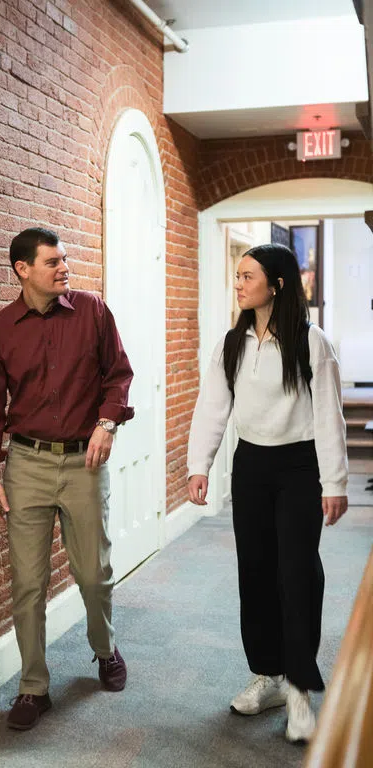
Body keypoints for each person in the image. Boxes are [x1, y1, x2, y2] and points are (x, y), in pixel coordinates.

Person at [187, 243, 348, 744]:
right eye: (236, 275)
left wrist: (334, 481)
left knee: (296, 573)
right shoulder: (232, 343)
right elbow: (212, 406)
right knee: (255, 572)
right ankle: (270, 676)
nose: (238, 283)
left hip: (300, 467)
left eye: (247, 275)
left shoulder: (310, 342)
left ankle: (300, 687)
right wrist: (200, 466)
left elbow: (328, 415)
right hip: (251, 466)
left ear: (276, 283)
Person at [0, 227, 134, 731]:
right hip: (27, 465)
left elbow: (119, 374)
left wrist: (107, 423)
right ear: (23, 269)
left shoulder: (92, 311)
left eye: (65, 260)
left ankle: (104, 647)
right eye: (53, 262)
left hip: (84, 463)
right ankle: (32, 687)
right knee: (27, 582)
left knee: (92, 573)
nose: (64, 268)